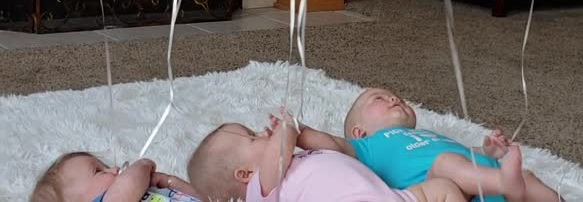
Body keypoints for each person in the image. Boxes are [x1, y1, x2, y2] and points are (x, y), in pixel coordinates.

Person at [297, 88, 563, 202]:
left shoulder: (428, 135)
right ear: (359, 131)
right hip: (450, 194)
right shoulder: (366, 146)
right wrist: (299, 131)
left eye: (396, 97)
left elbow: (466, 155)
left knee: (528, 178)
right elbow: (329, 143)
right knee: (445, 162)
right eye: (379, 98)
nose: (393, 98)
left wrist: (487, 152)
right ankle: (506, 182)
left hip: (493, 188)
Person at [187, 113, 467, 202]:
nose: (261, 132)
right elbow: (281, 148)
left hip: (392, 196)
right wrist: (286, 127)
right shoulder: (261, 188)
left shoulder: (298, 163)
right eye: (251, 137)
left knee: (445, 189)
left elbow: (337, 149)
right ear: (245, 174)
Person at [30, 152, 202, 202]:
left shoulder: (142, 191)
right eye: (99, 171)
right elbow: (129, 183)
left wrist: (170, 181)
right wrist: (141, 165)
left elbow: (201, 198)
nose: (115, 169)